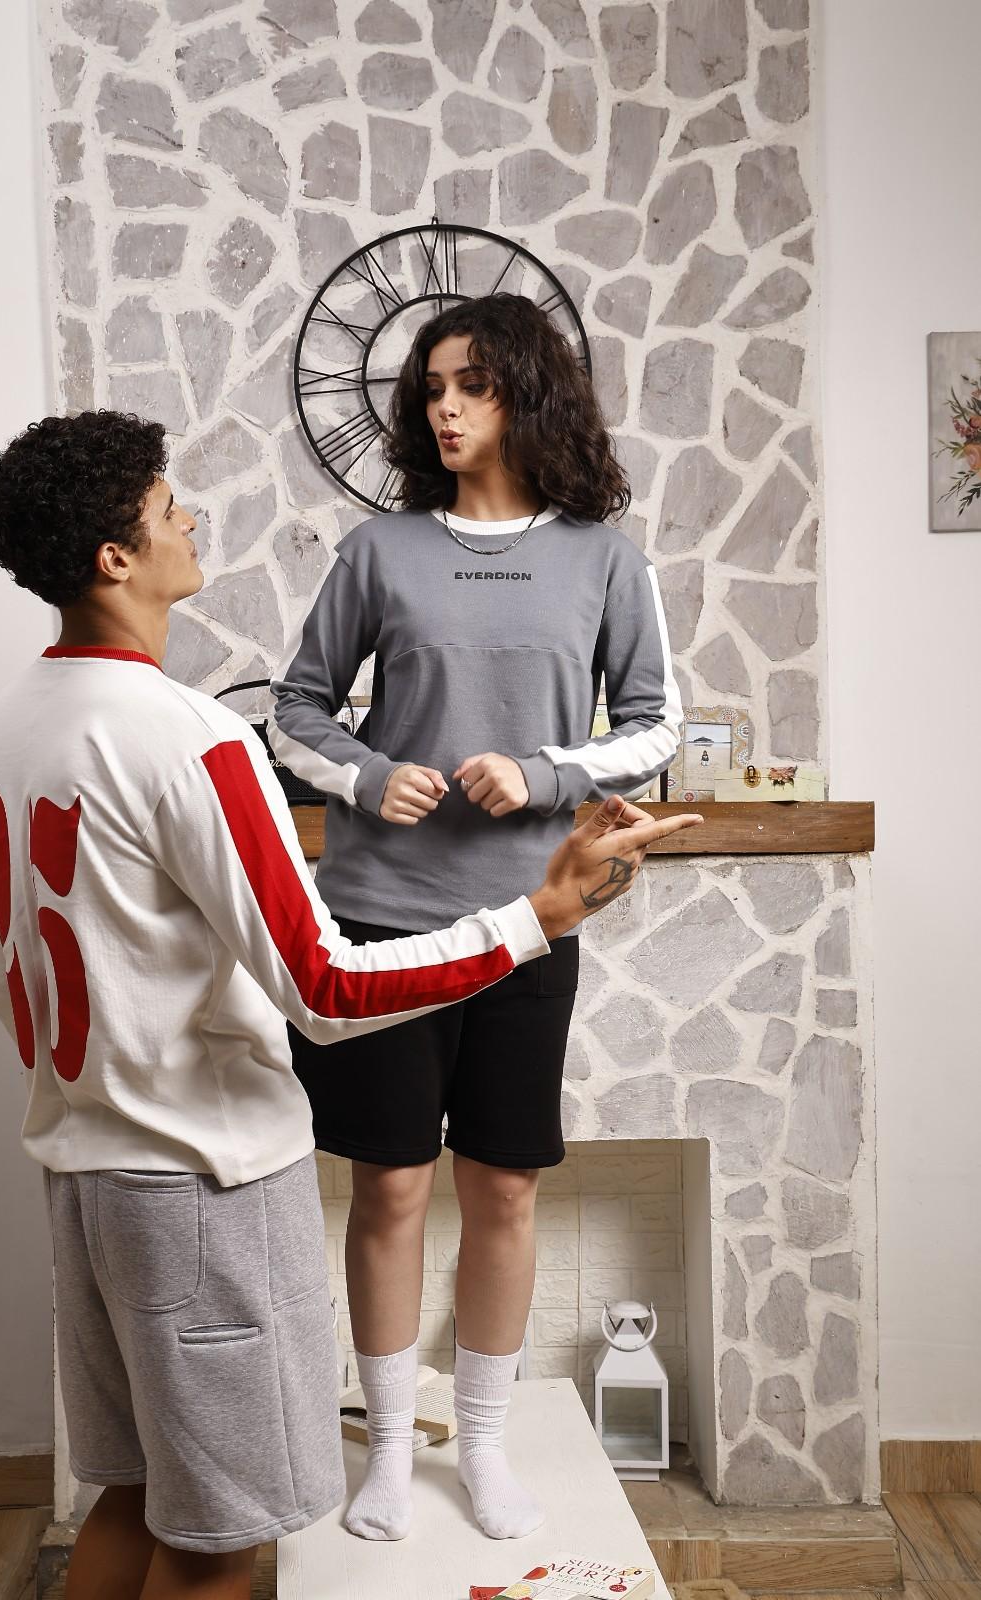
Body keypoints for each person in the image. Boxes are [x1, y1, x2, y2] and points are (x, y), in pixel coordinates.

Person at [0, 409, 699, 1600]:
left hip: (84, 1173)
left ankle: (471, 1443)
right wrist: (539, 914)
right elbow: (325, 984)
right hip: (200, 1188)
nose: (190, 519)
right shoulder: (194, 739)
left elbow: (5, 984)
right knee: (219, 1542)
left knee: (136, 1496)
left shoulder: (9, 721)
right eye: (166, 508)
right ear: (114, 556)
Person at [268, 294, 683, 1545]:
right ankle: (393, 1451)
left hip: (526, 923)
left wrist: (547, 771)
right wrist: (362, 776)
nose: (444, 408)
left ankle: (484, 1448)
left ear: (526, 395)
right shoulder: (378, 551)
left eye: (471, 385)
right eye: (432, 389)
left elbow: (655, 725)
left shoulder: (603, 557)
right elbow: (294, 709)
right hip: (381, 923)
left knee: (503, 1191)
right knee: (390, 1187)